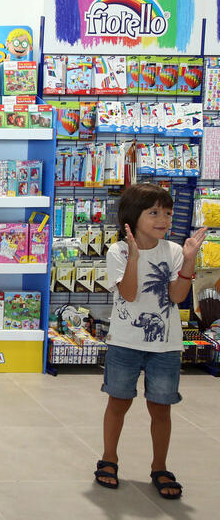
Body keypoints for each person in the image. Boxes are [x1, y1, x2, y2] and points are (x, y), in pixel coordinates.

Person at [94, 183, 206, 500]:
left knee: (161, 408)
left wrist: (189, 260)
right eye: (154, 212)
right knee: (118, 402)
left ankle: (160, 466)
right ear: (133, 216)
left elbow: (177, 296)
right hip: (124, 342)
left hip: (165, 346)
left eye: (167, 213)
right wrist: (134, 257)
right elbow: (129, 294)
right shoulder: (117, 251)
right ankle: (109, 458)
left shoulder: (173, 251)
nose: (163, 220)